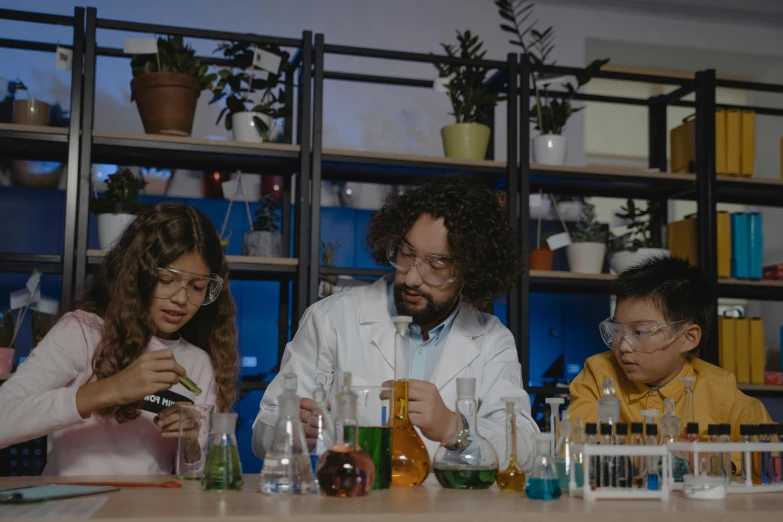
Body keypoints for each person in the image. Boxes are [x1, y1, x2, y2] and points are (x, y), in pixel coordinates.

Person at [252, 176, 539, 469]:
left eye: (437, 264)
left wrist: (455, 429)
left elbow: (526, 446)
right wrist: (290, 431)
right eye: (406, 254)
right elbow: (264, 429)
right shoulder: (331, 319)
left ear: (471, 268)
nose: (412, 278)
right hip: (354, 506)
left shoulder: (491, 339)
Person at [0, 202, 238, 475]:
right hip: (73, 511)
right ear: (138, 274)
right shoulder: (83, 332)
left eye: (197, 287)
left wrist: (190, 443)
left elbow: (196, 478)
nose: (181, 299)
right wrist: (110, 389)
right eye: (165, 280)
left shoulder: (200, 364)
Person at [569, 255, 772, 437]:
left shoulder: (720, 391)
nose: (624, 346)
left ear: (688, 338)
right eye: (617, 331)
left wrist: (718, 463)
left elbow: (770, 455)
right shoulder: (599, 375)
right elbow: (575, 445)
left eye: (640, 332)